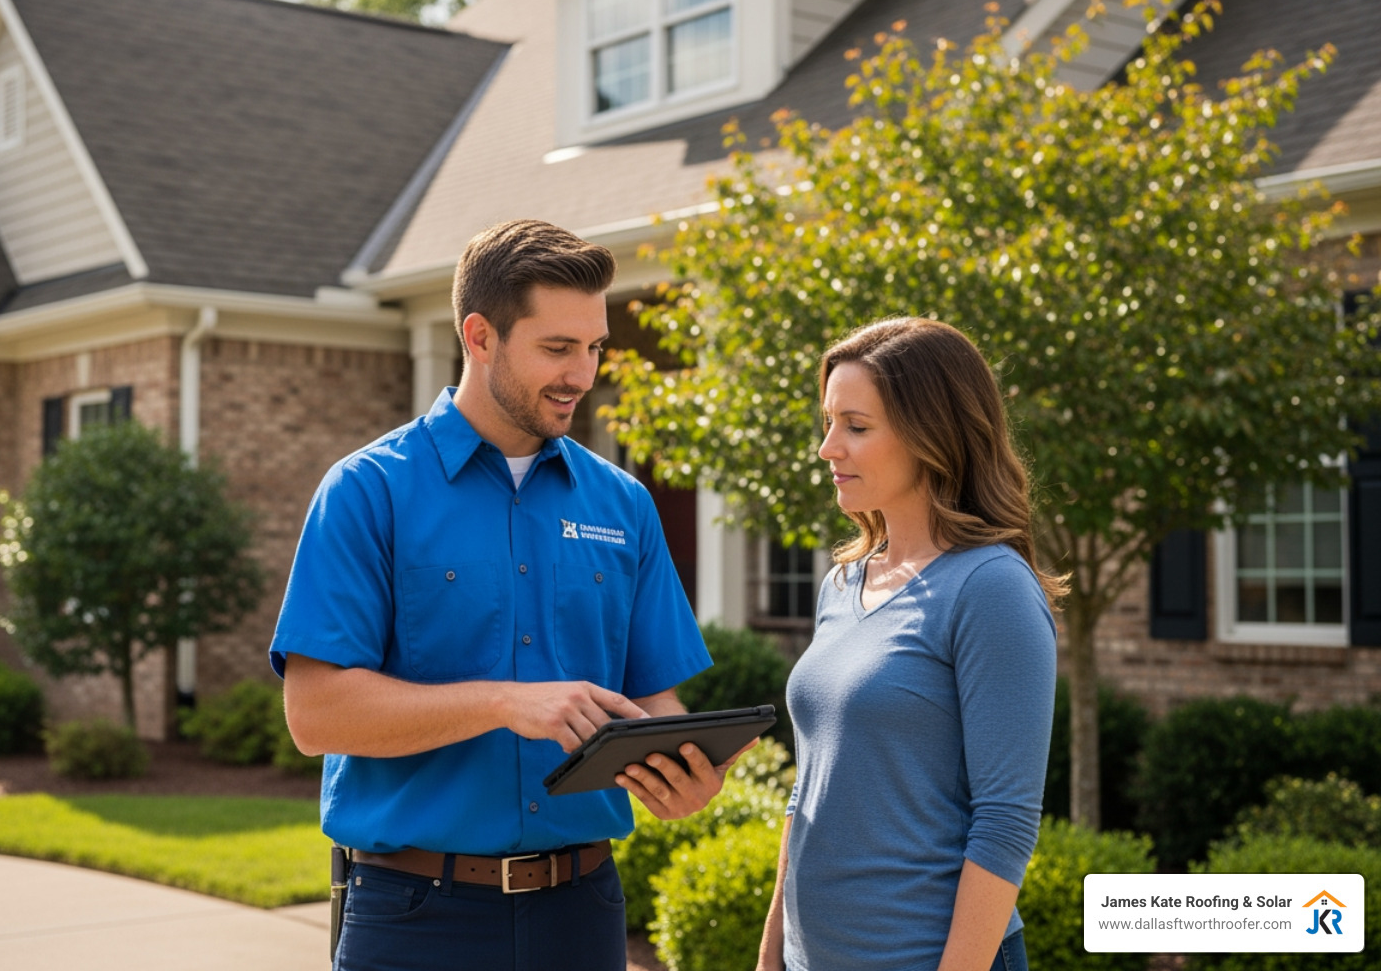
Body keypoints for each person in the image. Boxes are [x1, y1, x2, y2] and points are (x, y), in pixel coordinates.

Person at [271, 219, 732, 971]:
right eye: (557, 348)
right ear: (480, 336)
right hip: (416, 917)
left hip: (582, 911)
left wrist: (681, 767)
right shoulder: (367, 492)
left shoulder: (623, 504)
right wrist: (504, 703)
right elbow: (315, 715)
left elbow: (655, 700)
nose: (582, 374)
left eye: (594, 348)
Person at [757, 317, 1064, 971]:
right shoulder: (843, 581)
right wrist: (771, 954)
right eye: (828, 422)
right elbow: (809, 789)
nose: (827, 448)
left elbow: (1005, 825)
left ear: (933, 436)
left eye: (856, 426)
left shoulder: (990, 587)